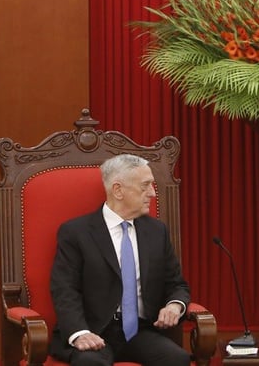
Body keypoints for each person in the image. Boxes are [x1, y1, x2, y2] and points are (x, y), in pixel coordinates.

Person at [49, 154, 192, 366]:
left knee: (177, 360)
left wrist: (174, 305)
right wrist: (80, 333)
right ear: (118, 190)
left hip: (141, 331)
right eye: (145, 186)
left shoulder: (156, 231)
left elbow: (176, 283)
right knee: (90, 363)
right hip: (94, 329)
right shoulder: (76, 233)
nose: (152, 193)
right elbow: (65, 290)